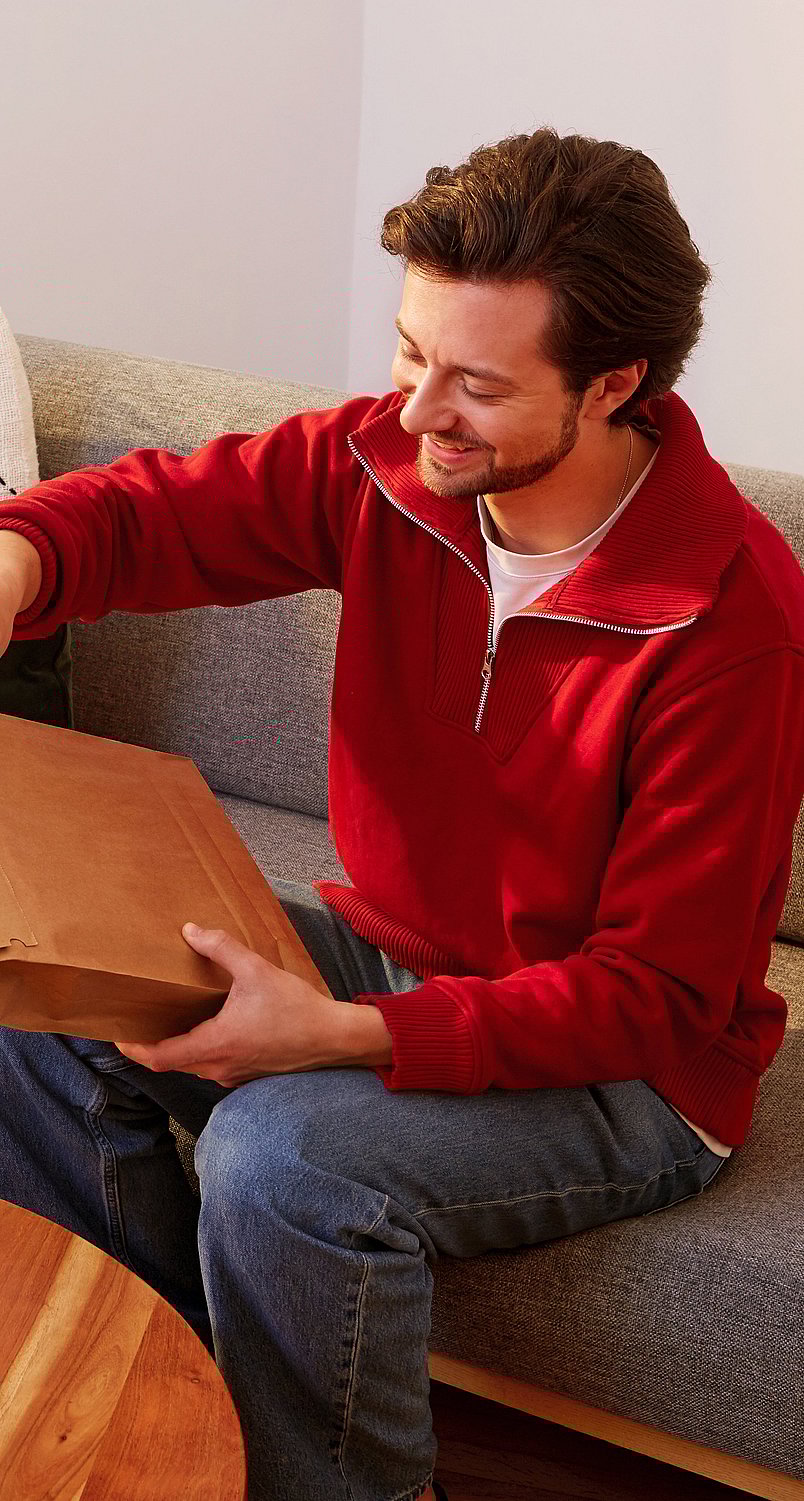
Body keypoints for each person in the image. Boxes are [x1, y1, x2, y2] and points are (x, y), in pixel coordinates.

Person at [1, 126, 803, 1501]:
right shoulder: (389, 464)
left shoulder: (728, 615)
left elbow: (660, 993)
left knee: (280, 1157)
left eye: (478, 384)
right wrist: (18, 559)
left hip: (629, 1074)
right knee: (39, 1010)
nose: (419, 408)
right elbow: (139, 520)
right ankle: (179, 1415)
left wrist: (341, 1034)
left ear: (614, 383)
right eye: (411, 351)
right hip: (409, 955)